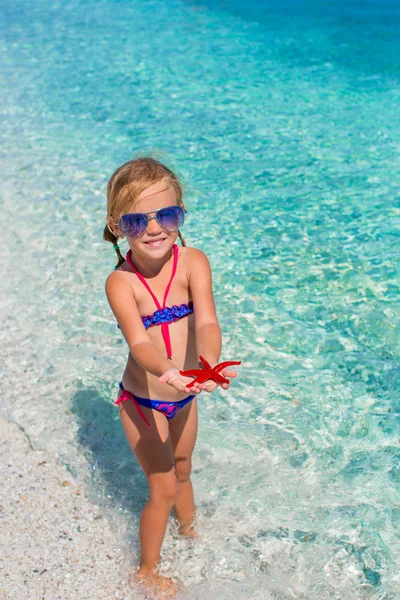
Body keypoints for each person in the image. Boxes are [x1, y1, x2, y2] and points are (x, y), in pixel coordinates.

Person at [104, 157, 239, 597]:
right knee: (161, 487)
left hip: (186, 394)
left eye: (167, 215)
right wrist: (169, 371)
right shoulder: (120, 284)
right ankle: (146, 570)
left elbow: (207, 324)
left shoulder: (194, 262)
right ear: (117, 225)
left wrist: (208, 365)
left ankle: (191, 533)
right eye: (136, 220)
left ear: (181, 213)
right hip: (144, 400)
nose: (154, 228)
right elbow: (140, 345)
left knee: (184, 469)